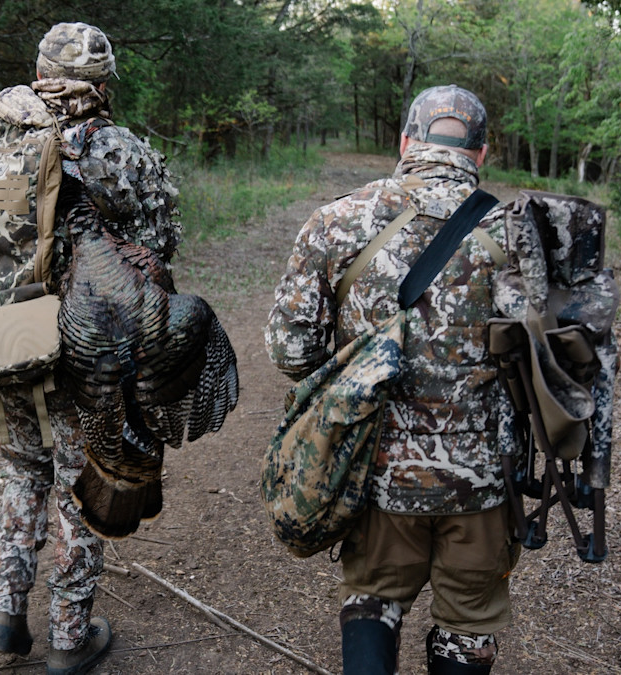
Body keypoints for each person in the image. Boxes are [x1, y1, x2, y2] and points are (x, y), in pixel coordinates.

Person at [0, 22, 180, 675]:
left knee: (24, 471)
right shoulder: (118, 150)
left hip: (1, 335)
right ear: (103, 83)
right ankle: (71, 637)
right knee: (79, 484)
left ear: (41, 70)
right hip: (82, 350)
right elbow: (161, 244)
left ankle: (3, 616)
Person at [264, 85, 520, 674]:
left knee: (373, 598)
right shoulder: (515, 234)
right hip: (483, 479)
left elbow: (290, 349)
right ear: (481, 154)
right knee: (467, 621)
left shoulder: (338, 220)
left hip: (372, 469)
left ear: (405, 142)